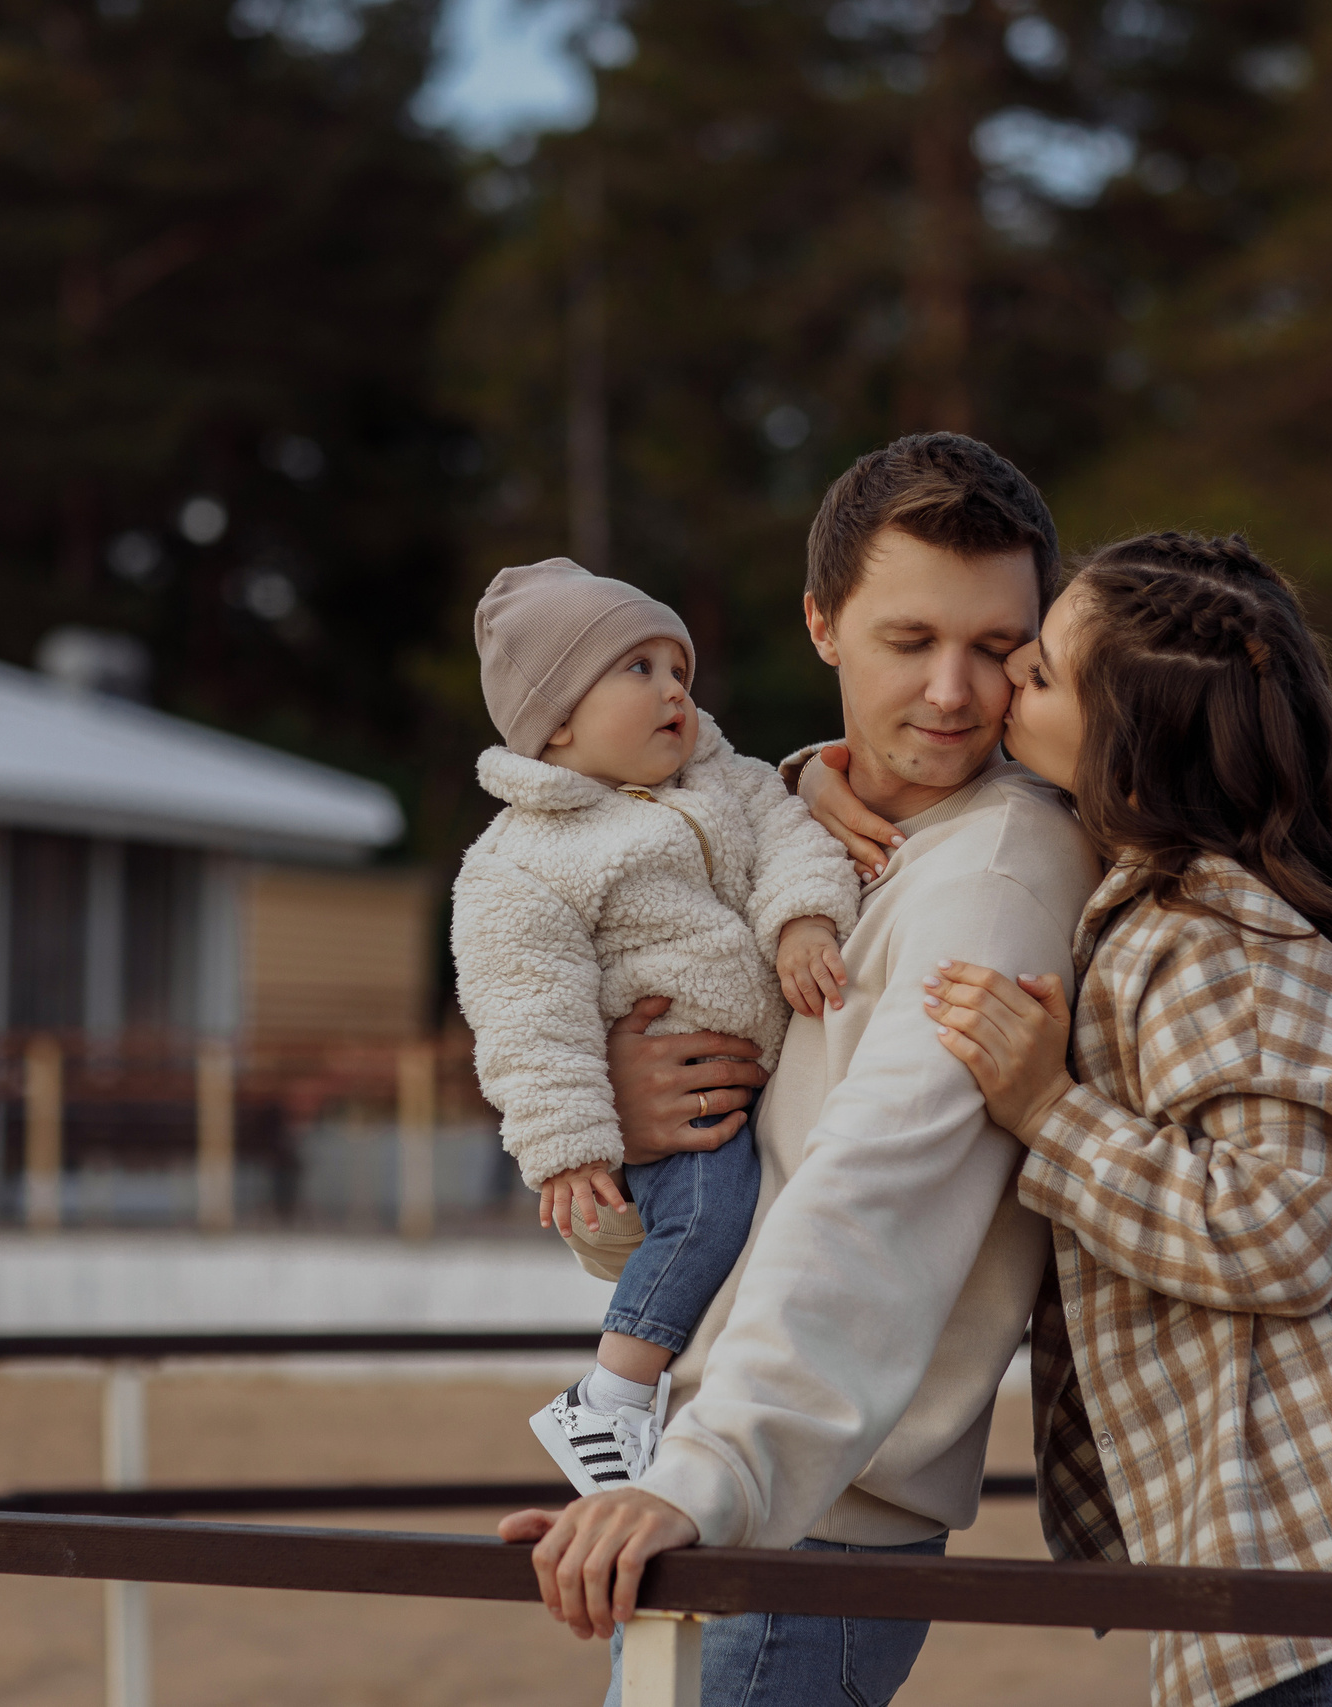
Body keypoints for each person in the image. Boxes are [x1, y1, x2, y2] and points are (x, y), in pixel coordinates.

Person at [887, 530, 1332, 1706]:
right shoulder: (1169, 903)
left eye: (1035, 675)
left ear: (1130, 751)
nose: (997, 690)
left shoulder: (1211, 936)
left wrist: (1049, 1111)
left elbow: (1282, 1232)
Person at [498, 433, 1098, 1707]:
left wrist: (706, 1479)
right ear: (822, 625)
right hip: (723, 1476)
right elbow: (707, 1209)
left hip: (797, 1504)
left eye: (998, 649)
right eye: (908, 640)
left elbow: (875, 1195)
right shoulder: (773, 836)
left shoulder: (996, 873)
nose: (951, 692)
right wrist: (636, 1133)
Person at [454, 557, 862, 1495]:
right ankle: (609, 1396)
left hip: (751, 1082)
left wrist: (801, 917)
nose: (673, 691)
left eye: (677, 669)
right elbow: (526, 1008)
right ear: (556, 720)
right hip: (679, 1112)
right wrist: (568, 1144)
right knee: (708, 1215)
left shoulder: (730, 780)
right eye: (636, 670)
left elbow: (795, 836)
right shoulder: (523, 862)